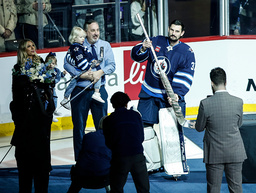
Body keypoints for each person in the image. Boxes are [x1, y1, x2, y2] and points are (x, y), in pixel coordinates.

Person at [131, 19, 196, 172]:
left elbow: (186, 75)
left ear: (182, 33)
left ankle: (176, 167)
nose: (173, 33)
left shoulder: (187, 52)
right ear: (168, 29)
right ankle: (153, 163)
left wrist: (176, 94)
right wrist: (143, 47)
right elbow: (136, 56)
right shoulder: (156, 40)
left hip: (170, 95)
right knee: (145, 129)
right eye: (172, 30)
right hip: (149, 92)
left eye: (177, 31)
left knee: (173, 131)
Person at [64, 19, 116, 161]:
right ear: (86, 32)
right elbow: (66, 64)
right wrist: (82, 74)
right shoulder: (77, 45)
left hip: (99, 91)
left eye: (97, 30)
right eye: (92, 30)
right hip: (80, 91)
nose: (96, 33)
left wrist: (100, 72)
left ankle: (104, 159)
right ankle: (80, 162)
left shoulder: (105, 45)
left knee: (103, 126)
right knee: (79, 128)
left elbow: (112, 65)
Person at [9, 39, 55, 193]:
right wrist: (31, 79)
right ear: (23, 50)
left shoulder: (42, 65)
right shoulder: (18, 69)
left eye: (33, 45)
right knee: (25, 165)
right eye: (28, 46)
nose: (32, 48)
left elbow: (49, 87)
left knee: (42, 164)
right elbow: (16, 94)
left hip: (41, 119)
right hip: (25, 121)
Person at [194, 67, 247, 193]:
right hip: (235, 151)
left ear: (211, 83)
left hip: (214, 153)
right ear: (226, 82)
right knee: (236, 188)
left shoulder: (205, 103)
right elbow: (239, 124)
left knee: (213, 188)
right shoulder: (238, 102)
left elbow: (199, 128)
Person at [102, 91, 150, 193]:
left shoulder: (107, 120)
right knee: (144, 190)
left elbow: (108, 142)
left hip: (119, 157)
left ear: (113, 104)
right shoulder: (136, 115)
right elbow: (141, 137)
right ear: (126, 103)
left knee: (116, 189)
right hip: (138, 156)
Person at [60, 26, 104, 111]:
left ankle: (65, 98)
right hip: (80, 69)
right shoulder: (76, 48)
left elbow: (87, 54)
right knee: (95, 74)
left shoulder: (81, 46)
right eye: (81, 37)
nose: (83, 39)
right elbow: (80, 60)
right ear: (74, 37)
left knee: (75, 81)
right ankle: (96, 92)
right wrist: (88, 68)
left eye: (84, 37)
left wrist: (92, 60)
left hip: (82, 68)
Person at [67, 129, 111, 193]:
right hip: (104, 179)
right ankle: (109, 189)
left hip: (82, 178)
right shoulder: (114, 138)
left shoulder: (88, 136)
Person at [45, 52, 67, 122]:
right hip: (45, 88)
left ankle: (54, 110)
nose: (51, 65)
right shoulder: (45, 70)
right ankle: (49, 114)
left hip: (52, 88)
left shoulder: (56, 70)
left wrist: (63, 74)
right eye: (49, 63)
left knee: (54, 99)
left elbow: (59, 76)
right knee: (47, 101)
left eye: (53, 63)